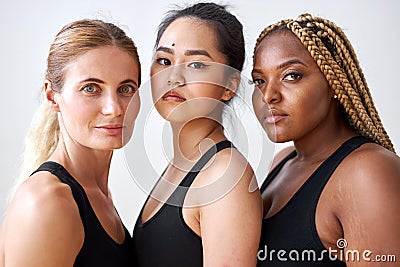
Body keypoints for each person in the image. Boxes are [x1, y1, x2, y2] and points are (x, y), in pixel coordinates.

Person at [251, 13, 400, 266]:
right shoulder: (282, 162)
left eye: (291, 75)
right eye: (259, 81)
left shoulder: (368, 171)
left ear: (334, 82)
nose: (268, 96)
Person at [0, 19, 141, 266]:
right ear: (52, 96)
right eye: (91, 88)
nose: (115, 108)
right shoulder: (48, 201)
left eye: (126, 89)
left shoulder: (95, 193)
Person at [132, 3, 262, 266]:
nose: (173, 77)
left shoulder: (224, 176)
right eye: (164, 61)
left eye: (196, 65)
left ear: (229, 86)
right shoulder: (179, 165)